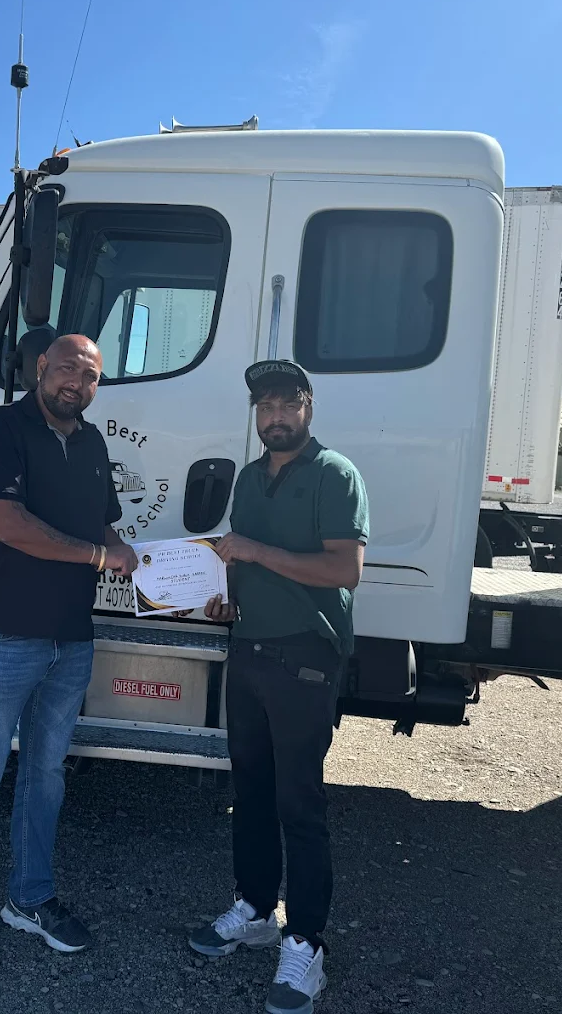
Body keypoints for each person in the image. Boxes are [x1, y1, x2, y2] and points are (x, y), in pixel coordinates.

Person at [0, 334, 138, 988]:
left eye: (91, 375)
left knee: (46, 775)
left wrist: (130, 554)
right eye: (68, 367)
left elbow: (102, 525)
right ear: (41, 367)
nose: (78, 382)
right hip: (3, 634)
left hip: (71, 637)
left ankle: (29, 898)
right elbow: (10, 526)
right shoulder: (0, 429)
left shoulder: (93, 443)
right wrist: (100, 557)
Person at [187, 359, 369, 1014]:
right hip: (249, 651)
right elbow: (238, 563)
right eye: (265, 406)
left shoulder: (335, 474)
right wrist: (225, 601)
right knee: (252, 795)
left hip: (305, 658)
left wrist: (255, 552)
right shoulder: (248, 478)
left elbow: (345, 570)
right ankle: (257, 910)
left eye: (287, 404)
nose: (276, 417)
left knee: (299, 803)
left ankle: (306, 945)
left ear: (308, 407)